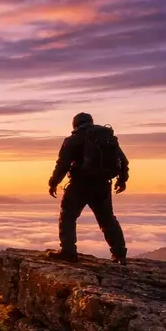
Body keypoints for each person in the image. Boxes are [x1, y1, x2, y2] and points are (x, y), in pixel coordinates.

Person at [47, 112, 129, 264]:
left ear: (75, 124)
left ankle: (68, 252)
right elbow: (123, 161)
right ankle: (120, 255)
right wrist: (122, 180)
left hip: (80, 184)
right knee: (107, 220)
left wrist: (53, 182)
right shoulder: (107, 139)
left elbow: (63, 164)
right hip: (103, 185)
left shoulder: (73, 140)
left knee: (68, 216)